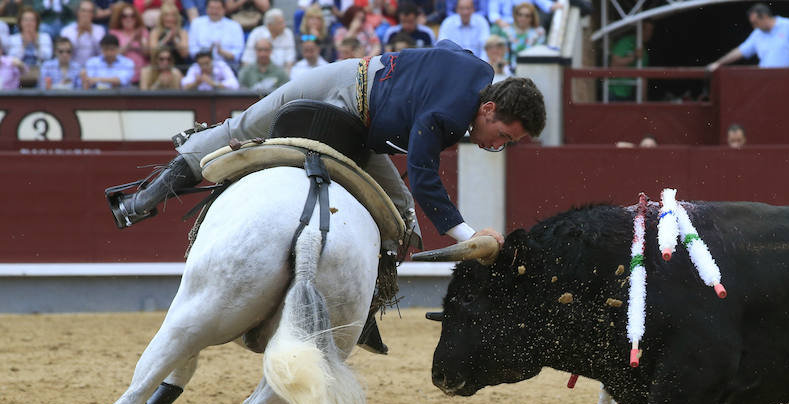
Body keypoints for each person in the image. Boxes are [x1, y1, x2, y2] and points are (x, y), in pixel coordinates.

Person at [108, 39, 545, 256]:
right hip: (339, 87)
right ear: (488, 109)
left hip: (365, 133)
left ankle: (366, 305)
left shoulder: (479, 69)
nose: (497, 146)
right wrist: (468, 235)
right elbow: (424, 173)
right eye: (503, 137)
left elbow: (447, 47)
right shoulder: (449, 118)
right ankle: (142, 201)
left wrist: (412, 71)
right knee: (241, 126)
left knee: (402, 219)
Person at [707, 3, 789, 72]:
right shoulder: (757, 33)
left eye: (755, 23)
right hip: (765, 79)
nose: (754, 26)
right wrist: (719, 63)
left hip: (787, 78)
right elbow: (740, 51)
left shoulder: (786, 24)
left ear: (765, 17)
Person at [189, 0, 245, 69]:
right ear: (206, 9)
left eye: (217, 9)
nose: (214, 12)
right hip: (201, 66)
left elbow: (238, 52)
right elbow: (192, 50)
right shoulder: (196, 23)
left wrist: (222, 52)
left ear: (224, 10)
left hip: (228, 66)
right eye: (211, 8)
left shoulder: (234, 26)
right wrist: (207, 53)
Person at [5, 7, 53, 87]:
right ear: (20, 22)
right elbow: (11, 59)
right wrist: (24, 45)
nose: (29, 23)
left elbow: (47, 57)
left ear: (36, 23)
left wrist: (36, 43)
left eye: (32, 20)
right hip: (19, 75)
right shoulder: (13, 39)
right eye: (26, 20)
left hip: (39, 73)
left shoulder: (45, 37)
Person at [608, 19, 652, 101]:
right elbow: (614, 65)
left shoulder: (644, 52)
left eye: (651, 30)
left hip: (628, 94)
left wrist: (644, 101)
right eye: (647, 30)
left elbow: (643, 78)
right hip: (613, 92)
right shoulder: (626, 42)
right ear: (639, 29)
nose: (649, 34)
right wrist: (634, 57)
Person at [109, 2, 150, 85]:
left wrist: (140, 41)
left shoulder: (142, 31)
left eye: (132, 16)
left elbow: (148, 54)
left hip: (141, 76)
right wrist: (131, 41)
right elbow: (113, 54)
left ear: (136, 18)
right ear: (120, 18)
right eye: (125, 16)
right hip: (120, 76)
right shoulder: (114, 33)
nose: (129, 19)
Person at [500, 1, 543, 71]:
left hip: (532, 68)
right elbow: (504, 55)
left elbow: (539, 54)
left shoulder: (539, 32)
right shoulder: (507, 32)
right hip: (510, 69)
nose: (523, 18)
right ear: (515, 16)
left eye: (527, 16)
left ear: (532, 18)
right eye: (520, 15)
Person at [60, 1, 105, 67]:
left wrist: (91, 34)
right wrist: (78, 36)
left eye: (89, 11)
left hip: (94, 68)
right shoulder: (67, 31)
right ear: (77, 12)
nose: (86, 14)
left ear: (93, 14)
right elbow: (64, 53)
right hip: (72, 67)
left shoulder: (99, 30)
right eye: (83, 11)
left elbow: (102, 53)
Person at [149, 2, 190, 71]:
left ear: (177, 17)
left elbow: (184, 54)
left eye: (173, 15)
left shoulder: (182, 32)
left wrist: (174, 39)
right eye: (166, 15)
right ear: (162, 17)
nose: (169, 18)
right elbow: (153, 53)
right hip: (159, 68)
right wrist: (166, 39)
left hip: (178, 67)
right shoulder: (155, 32)